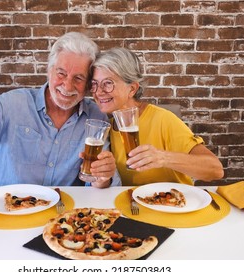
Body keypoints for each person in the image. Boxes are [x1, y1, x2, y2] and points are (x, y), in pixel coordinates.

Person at [0, 32, 120, 188]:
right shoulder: (13, 103)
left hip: (62, 221)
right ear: (49, 71)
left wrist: (103, 177)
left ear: (88, 84)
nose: (67, 85)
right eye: (61, 73)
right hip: (7, 214)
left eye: (78, 78)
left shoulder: (96, 117)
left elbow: (95, 183)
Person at [90, 47, 224, 186]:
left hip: (174, 203)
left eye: (108, 83)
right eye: (94, 84)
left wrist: (163, 157)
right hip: (131, 204)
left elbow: (215, 170)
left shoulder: (162, 119)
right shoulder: (107, 126)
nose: (98, 92)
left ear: (132, 89)